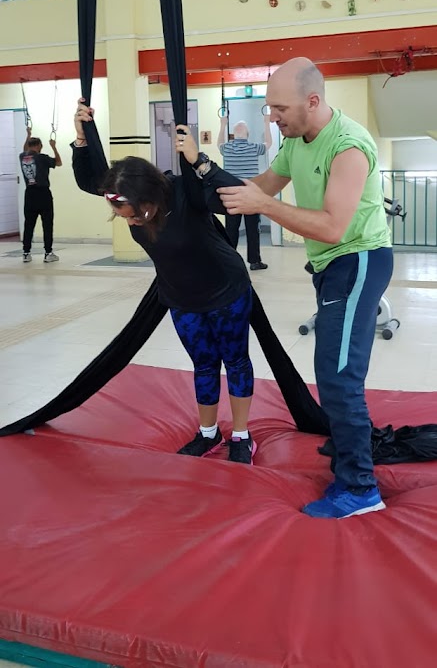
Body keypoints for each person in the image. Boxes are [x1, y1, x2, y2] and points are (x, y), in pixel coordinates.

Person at [218, 58, 393, 519]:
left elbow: (334, 227)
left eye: (279, 107)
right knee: (331, 370)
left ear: (313, 101)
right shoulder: (295, 142)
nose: (271, 117)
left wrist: (262, 206)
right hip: (329, 266)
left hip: (357, 260)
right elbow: (262, 185)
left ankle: (360, 489)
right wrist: (199, 186)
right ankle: (347, 445)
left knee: (337, 376)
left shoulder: (349, 146)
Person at [72, 100, 256, 465]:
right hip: (181, 297)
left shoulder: (185, 191)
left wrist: (199, 161)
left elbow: (240, 196)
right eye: (123, 216)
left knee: (234, 361)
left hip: (225, 291)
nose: (133, 222)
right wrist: (81, 138)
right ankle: (207, 433)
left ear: (152, 197)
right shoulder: (123, 193)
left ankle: (241, 435)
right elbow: (88, 179)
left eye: (137, 214)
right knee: (204, 364)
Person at [217, 115, 272, 270]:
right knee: (253, 229)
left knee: (231, 230)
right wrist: (266, 123)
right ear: (248, 134)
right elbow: (269, 143)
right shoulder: (253, 147)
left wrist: (222, 125)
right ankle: (254, 261)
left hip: (231, 195)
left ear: (234, 135)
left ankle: (230, 262)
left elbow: (219, 143)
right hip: (250, 196)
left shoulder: (227, 148)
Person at [20, 128, 62, 264]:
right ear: (39, 146)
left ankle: (26, 253)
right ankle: (48, 253)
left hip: (29, 194)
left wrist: (28, 135)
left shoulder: (22, 156)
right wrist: (54, 147)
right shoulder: (42, 158)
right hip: (43, 194)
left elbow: (25, 148)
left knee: (29, 224)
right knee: (47, 224)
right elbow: (58, 162)